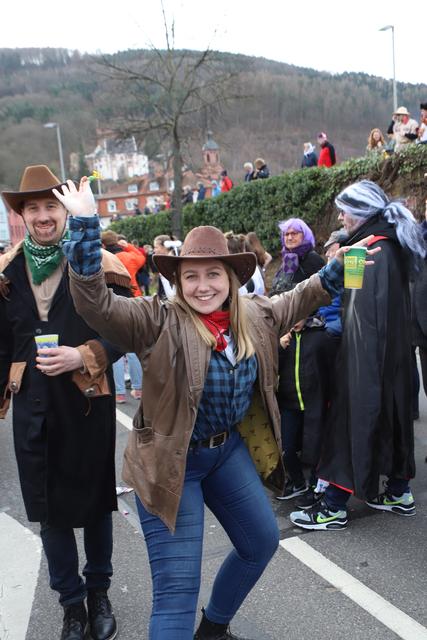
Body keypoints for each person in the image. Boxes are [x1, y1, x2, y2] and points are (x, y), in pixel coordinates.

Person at [56, 175, 365, 640]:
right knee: (176, 595)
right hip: (170, 463)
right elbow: (96, 304)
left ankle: (214, 629)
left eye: (213, 274)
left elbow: (301, 297)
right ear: (178, 282)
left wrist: (339, 269)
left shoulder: (254, 315)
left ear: (232, 278)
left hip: (225, 453)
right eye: (191, 276)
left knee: (260, 542)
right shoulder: (156, 320)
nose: (203, 287)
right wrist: (83, 226)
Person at [0, 165, 128, 640]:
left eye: (50, 205)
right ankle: (72, 605)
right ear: (22, 215)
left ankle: (99, 593)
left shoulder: (99, 263)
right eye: (32, 207)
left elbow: (128, 330)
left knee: (95, 506)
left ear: (65, 210)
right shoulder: (6, 274)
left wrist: (85, 355)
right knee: (48, 512)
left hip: (87, 403)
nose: (42, 215)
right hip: (33, 409)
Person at [290, 180, 426, 531]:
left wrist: (352, 360)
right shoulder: (390, 242)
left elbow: (359, 313)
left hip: (366, 355)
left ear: (362, 213)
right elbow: (353, 300)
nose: (340, 217)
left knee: (352, 420)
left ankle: (333, 506)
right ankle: (398, 491)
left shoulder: (368, 250)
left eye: (344, 211)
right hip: (393, 354)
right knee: (393, 417)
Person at [275, 313, 338, 507]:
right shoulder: (283, 337)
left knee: (314, 449)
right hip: (289, 403)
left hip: (315, 404)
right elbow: (271, 366)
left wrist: (331, 399)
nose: (294, 321)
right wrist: (278, 347)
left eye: (299, 315)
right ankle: (297, 482)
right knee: (286, 448)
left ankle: (314, 488)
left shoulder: (322, 337)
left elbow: (332, 369)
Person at [269, 218, 325, 296]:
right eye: (286, 234)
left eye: (294, 233)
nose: (289, 238)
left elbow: (323, 291)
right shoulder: (287, 259)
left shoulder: (312, 259)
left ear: (304, 235)